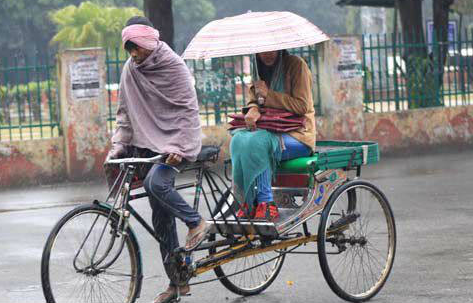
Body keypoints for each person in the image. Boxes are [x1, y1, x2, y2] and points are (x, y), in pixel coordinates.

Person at [106, 16, 208, 303]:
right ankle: (177, 283)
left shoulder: (173, 65)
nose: (134, 54)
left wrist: (179, 145)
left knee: (156, 184)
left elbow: (188, 109)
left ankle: (196, 221)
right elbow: (124, 113)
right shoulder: (130, 70)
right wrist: (118, 146)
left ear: (149, 41)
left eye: (137, 47)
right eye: (129, 49)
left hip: (178, 142)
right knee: (160, 218)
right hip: (147, 146)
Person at [231, 49, 316, 221]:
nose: (268, 54)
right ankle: (245, 201)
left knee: (259, 142)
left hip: (299, 134)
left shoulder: (296, 65)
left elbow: (302, 106)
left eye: (272, 50)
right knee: (238, 139)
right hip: (269, 130)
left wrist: (268, 95)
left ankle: (266, 203)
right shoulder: (258, 69)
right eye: (262, 51)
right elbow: (254, 100)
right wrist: (253, 109)